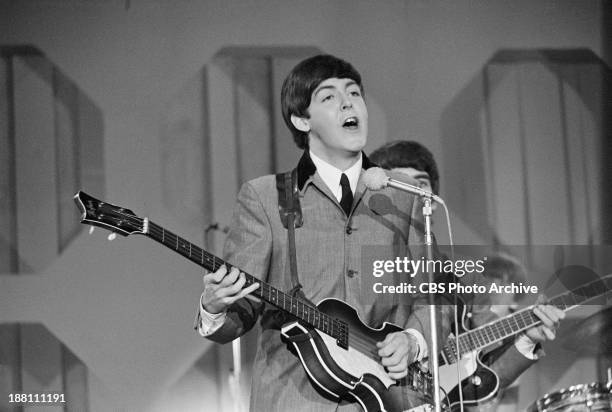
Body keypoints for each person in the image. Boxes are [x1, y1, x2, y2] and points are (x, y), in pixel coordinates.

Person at [195, 56, 451, 411]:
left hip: (386, 399)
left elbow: (436, 294)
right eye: (329, 97)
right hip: (293, 399)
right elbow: (240, 314)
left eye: (354, 93)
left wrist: (414, 339)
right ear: (302, 120)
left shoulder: (403, 193)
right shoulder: (266, 197)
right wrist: (214, 307)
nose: (348, 102)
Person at [370, 140, 565, 410]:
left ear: (434, 202)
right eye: (401, 182)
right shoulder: (361, 269)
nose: (415, 191)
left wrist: (527, 338)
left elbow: (485, 376)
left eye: (422, 183)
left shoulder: (463, 277)